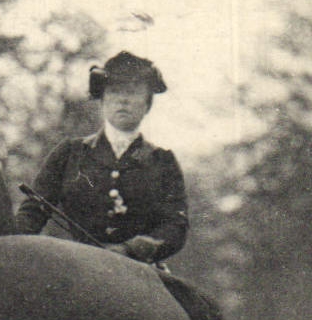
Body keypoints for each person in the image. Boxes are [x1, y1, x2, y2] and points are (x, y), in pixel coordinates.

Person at [14, 51, 188, 263]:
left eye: (132, 92)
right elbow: (33, 211)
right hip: (74, 267)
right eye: (114, 91)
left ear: (147, 104)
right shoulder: (69, 153)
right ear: (103, 100)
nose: (123, 100)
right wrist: (12, 244)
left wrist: (130, 249)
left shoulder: (162, 162)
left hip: (140, 273)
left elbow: (175, 226)